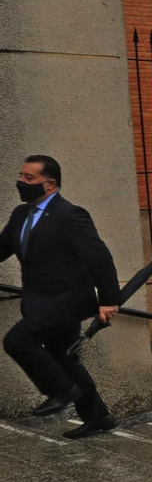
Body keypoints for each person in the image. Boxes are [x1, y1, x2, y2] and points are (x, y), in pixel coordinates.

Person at [1, 155, 121, 438]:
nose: (21, 182)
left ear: (51, 184)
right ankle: (98, 417)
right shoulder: (21, 214)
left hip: (66, 302)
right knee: (63, 357)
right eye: (21, 176)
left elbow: (99, 258)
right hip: (39, 301)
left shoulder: (70, 215)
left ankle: (61, 390)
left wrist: (108, 300)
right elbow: (2, 247)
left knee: (17, 341)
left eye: (29, 178)